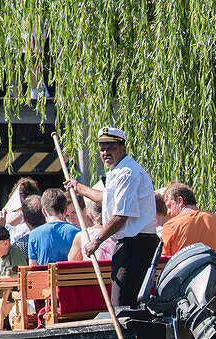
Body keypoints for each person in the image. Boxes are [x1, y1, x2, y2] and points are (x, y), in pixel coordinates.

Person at [64, 126, 158, 307]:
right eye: (102, 148)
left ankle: (127, 334)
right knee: (124, 302)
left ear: (123, 148)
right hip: (130, 244)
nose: (105, 152)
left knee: (122, 303)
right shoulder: (118, 172)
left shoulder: (128, 174)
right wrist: (78, 187)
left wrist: (96, 241)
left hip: (136, 245)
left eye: (111, 148)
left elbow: (120, 217)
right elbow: (105, 199)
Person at [160, 182, 216, 257]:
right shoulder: (215, 220)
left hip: (184, 268)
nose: (168, 212)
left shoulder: (171, 225)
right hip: (212, 267)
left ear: (180, 201)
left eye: (169, 206)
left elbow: (164, 261)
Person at [27, 188, 79, 266]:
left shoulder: (34, 235)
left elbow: (33, 268)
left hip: (45, 277)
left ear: (44, 212)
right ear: (65, 211)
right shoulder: (78, 232)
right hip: (70, 277)